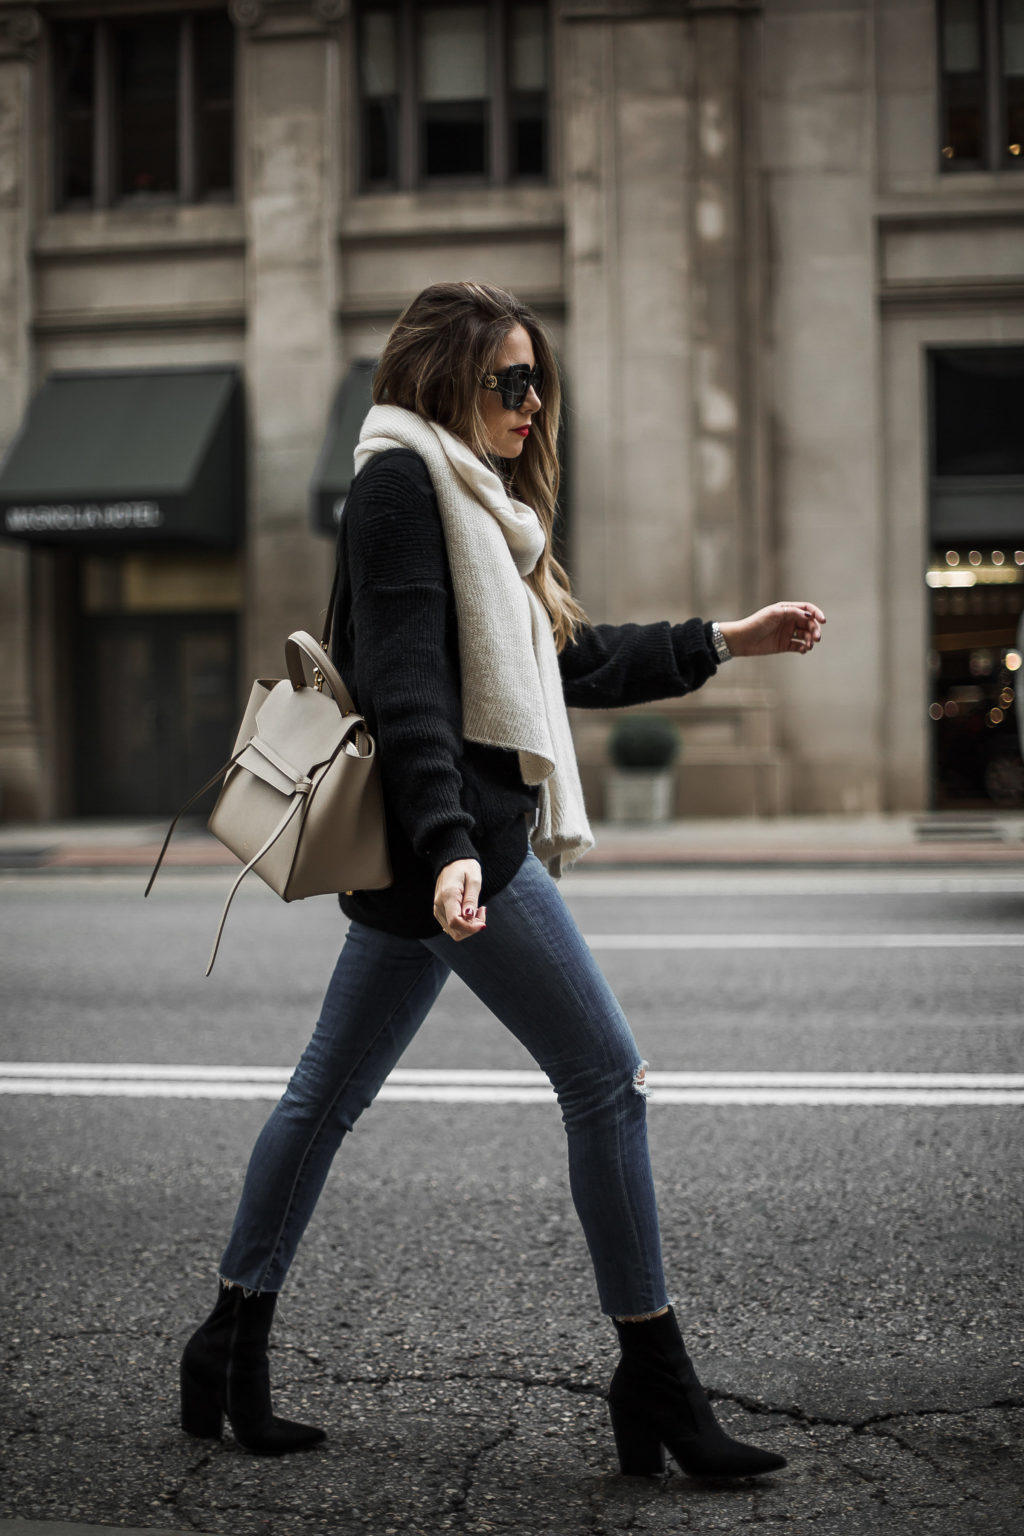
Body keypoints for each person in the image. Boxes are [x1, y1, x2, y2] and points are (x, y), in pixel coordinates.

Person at [180, 281, 825, 1481]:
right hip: (456, 847)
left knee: (325, 1098)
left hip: (440, 853)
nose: (529, 404)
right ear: (440, 377)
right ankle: (657, 1381)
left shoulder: (486, 510)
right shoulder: (399, 487)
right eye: (505, 381)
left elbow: (562, 659)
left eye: (537, 382)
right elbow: (409, 681)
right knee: (606, 1079)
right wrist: (453, 844)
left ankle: (226, 1346)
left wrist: (725, 640)